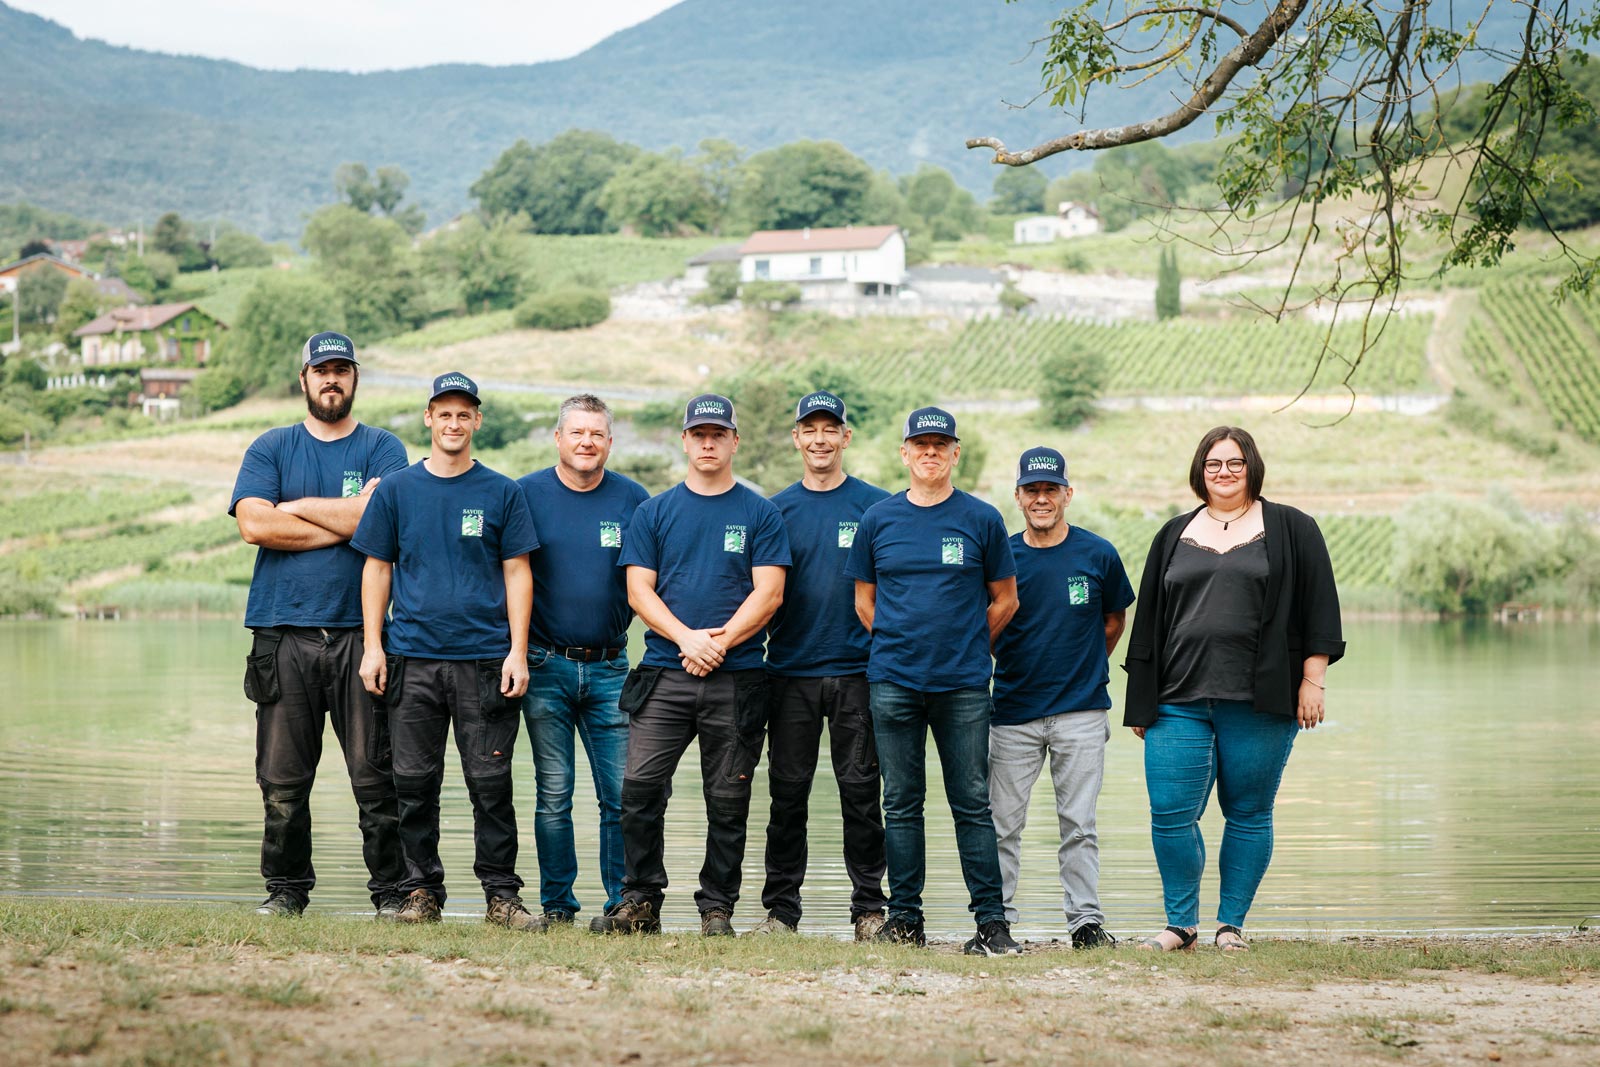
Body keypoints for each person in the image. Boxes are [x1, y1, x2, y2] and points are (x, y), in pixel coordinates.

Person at [1124, 425, 1343, 952]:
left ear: (1252, 468)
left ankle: (1230, 926)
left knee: (1247, 813)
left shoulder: (1292, 528)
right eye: (1214, 464)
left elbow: (1320, 610)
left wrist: (1312, 681)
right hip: (1178, 700)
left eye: (1235, 463)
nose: (1224, 472)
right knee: (1170, 815)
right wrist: (1141, 701)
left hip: (1261, 702)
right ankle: (1181, 924)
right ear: (1201, 471)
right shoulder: (1174, 533)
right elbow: (1149, 620)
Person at [352, 371, 541, 929]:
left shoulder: (503, 491)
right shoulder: (397, 491)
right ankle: (421, 893)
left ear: (477, 421)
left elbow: (518, 573)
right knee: (412, 783)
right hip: (411, 658)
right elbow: (376, 569)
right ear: (428, 419)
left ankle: (501, 898)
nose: (454, 423)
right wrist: (372, 647)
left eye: (465, 414)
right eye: (444, 413)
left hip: (486, 661)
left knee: (490, 784)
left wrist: (518, 651)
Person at [229, 330, 407, 918]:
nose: (332, 379)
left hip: (363, 636)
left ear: (356, 379)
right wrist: (350, 520)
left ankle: (390, 895)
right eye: (321, 370)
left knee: (375, 778)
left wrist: (297, 506)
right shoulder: (271, 448)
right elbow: (255, 526)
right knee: (281, 783)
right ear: (302, 379)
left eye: (343, 370)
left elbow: (381, 522)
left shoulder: (383, 448)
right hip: (281, 636)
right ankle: (285, 893)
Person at [599, 393, 790, 936]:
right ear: (684, 440)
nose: (708, 443)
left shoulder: (760, 512)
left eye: (718, 434)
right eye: (699, 434)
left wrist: (720, 643)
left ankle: (716, 909)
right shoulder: (654, 512)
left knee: (728, 797)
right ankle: (640, 900)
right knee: (637, 790)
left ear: (734, 441)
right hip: (663, 673)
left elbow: (769, 593)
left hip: (739, 677)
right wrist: (688, 639)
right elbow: (639, 591)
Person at [843, 406, 1022, 956]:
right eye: (919, 444)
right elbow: (863, 601)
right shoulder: (878, 519)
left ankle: (991, 923)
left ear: (955, 453)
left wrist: (967, 642)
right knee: (900, 802)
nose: (930, 452)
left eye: (940, 445)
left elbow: (1006, 599)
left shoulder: (982, 518)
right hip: (893, 681)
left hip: (963, 685)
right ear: (905, 453)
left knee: (971, 801)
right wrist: (899, 642)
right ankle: (906, 918)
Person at [751, 390, 890, 941]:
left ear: (845, 437)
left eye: (830, 429)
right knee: (787, 796)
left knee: (861, 794)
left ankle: (868, 911)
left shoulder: (877, 508)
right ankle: (781, 912)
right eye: (809, 429)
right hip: (789, 671)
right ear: (796, 438)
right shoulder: (772, 510)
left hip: (860, 671)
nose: (820, 439)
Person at [989, 446, 1134, 949]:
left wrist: (1085, 663)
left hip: (1082, 712)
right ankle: (998, 920)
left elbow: (1114, 621)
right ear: (1018, 496)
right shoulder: (1001, 556)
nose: (1042, 498)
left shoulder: (1098, 554)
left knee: (1079, 825)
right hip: (1011, 713)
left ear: (1068, 494)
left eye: (1052, 489)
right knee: (1002, 826)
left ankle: (1085, 923)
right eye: (1033, 490)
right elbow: (984, 625)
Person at [515, 394, 650, 932]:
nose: (587, 442)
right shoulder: (524, 495)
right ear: (558, 438)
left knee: (620, 793)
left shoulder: (634, 500)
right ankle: (557, 906)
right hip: (543, 665)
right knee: (554, 794)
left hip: (611, 666)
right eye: (577, 432)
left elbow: (649, 582)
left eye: (597, 434)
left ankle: (622, 902)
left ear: (610, 443)